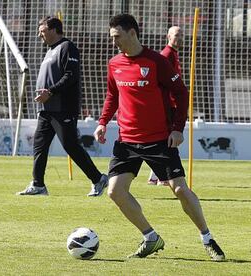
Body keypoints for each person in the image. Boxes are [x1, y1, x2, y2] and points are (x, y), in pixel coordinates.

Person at [93, 14, 225, 261]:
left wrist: (177, 128)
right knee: (114, 192)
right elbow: (113, 95)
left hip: (158, 140)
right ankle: (151, 237)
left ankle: (207, 238)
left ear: (132, 33)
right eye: (112, 38)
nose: (114, 43)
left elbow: (181, 93)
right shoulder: (114, 64)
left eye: (117, 37)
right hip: (127, 140)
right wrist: (102, 122)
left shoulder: (157, 61)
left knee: (180, 190)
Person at [17, 16, 108, 196]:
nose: (39, 35)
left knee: (71, 146)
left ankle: (98, 179)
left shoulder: (67, 47)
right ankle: (38, 184)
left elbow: (70, 76)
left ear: (53, 30)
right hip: (46, 110)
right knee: (39, 146)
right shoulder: (50, 50)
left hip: (62, 108)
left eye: (42, 31)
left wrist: (49, 92)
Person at [148, 26, 183, 187]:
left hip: (171, 103)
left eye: (181, 34)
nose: (179, 37)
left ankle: (156, 177)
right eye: (176, 35)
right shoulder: (167, 54)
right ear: (168, 36)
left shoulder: (173, 53)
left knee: (165, 140)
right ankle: (162, 177)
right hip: (168, 104)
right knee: (166, 140)